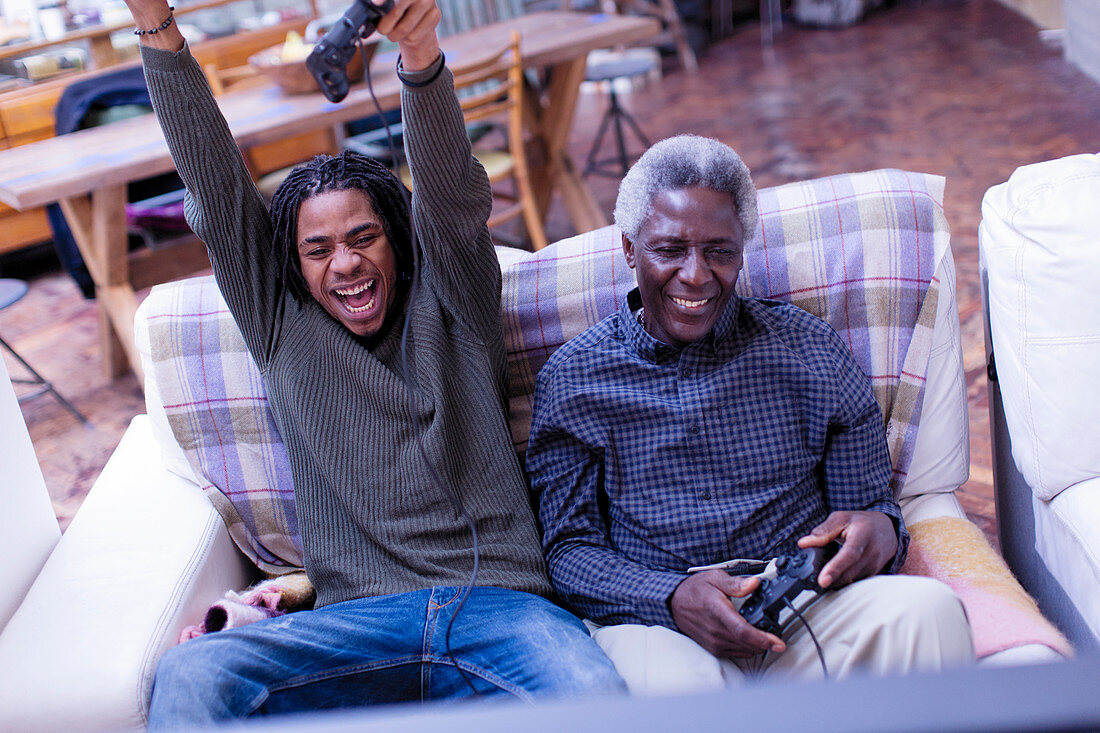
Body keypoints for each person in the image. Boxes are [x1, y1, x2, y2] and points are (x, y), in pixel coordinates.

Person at [123, 0, 625, 725]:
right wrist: (156, 24)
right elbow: (214, 186)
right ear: (294, 266)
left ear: (399, 240)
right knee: (196, 673)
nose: (347, 263)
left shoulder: (455, 299)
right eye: (319, 249)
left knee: (595, 696)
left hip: (502, 612)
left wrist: (419, 55)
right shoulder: (279, 324)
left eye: (364, 237)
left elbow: (452, 198)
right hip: (356, 630)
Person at [527, 134, 974, 690]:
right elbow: (570, 554)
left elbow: (870, 509)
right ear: (628, 248)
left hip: (804, 601)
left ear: (742, 250)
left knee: (928, 614)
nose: (696, 275)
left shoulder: (807, 349)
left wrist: (878, 531)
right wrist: (670, 597)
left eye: (720, 251)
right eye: (669, 250)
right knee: (675, 697)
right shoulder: (574, 378)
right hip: (663, 622)